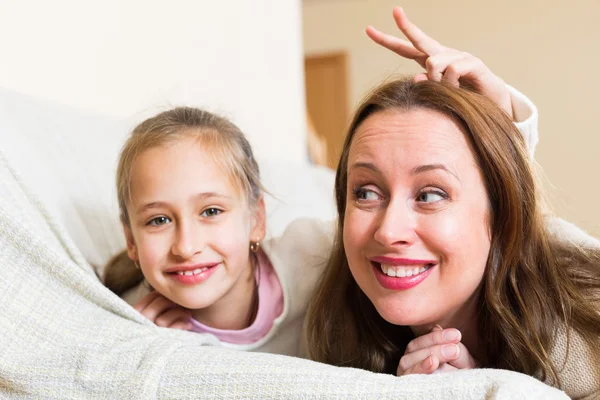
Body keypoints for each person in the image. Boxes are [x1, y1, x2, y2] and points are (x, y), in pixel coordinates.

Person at [306, 8, 600, 400]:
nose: (389, 230)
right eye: (366, 192)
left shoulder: (584, 336)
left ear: (501, 213)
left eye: (430, 195)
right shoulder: (328, 318)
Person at [103, 108, 331, 356]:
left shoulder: (313, 255)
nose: (186, 247)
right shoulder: (133, 324)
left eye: (211, 211)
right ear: (131, 241)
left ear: (256, 220)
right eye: (159, 220)